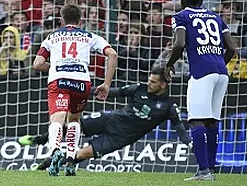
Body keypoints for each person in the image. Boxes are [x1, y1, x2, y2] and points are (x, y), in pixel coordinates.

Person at [20, 67, 192, 169]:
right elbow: (112, 92)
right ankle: (39, 139)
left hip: (119, 138)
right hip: (110, 119)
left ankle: (44, 166)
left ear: (163, 85)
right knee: (72, 124)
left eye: (153, 82)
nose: (149, 84)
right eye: (149, 80)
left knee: (81, 154)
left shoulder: (169, 106)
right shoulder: (139, 89)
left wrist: (191, 144)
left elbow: (181, 131)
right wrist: (82, 91)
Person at [29, 4, 118, 176]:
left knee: (57, 117)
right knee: (74, 119)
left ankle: (55, 151)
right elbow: (112, 54)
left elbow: (37, 64)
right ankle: (70, 158)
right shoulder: (90, 36)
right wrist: (106, 84)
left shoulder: (52, 37)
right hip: (82, 82)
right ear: (81, 20)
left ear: (61, 20)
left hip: (59, 80)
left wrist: (56, 66)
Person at [165, 0, 236, 181]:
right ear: (201, 1)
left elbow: (179, 44)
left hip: (201, 72)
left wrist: (169, 64)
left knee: (196, 120)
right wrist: (219, 63)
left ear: (183, 1)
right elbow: (231, 47)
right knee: (212, 120)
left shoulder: (181, 16)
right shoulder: (216, 17)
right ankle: (211, 171)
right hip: (222, 72)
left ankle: (203, 170)